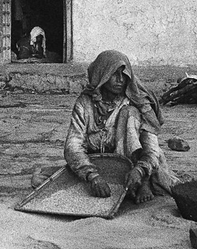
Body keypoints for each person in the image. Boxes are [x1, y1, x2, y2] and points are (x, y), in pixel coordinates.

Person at [60, 50, 178, 204]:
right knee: (41, 179)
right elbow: (72, 146)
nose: (120, 80)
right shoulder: (84, 103)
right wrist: (93, 176)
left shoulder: (136, 103)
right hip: (102, 165)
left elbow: (152, 148)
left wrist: (140, 170)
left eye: (124, 74)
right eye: (114, 74)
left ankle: (144, 182)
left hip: (133, 163)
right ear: (102, 75)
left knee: (128, 114)